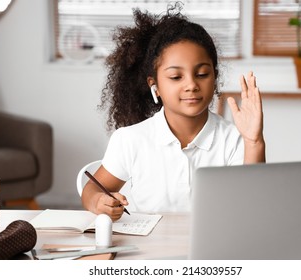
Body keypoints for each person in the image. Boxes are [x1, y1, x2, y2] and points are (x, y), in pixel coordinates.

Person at [82, 3, 265, 221]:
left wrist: (254, 142)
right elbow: (91, 190)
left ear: (214, 77)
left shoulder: (234, 139)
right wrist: (98, 201)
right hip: (147, 248)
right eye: (176, 77)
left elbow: (252, 204)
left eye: (202, 74)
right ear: (155, 86)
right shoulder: (130, 139)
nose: (191, 85)